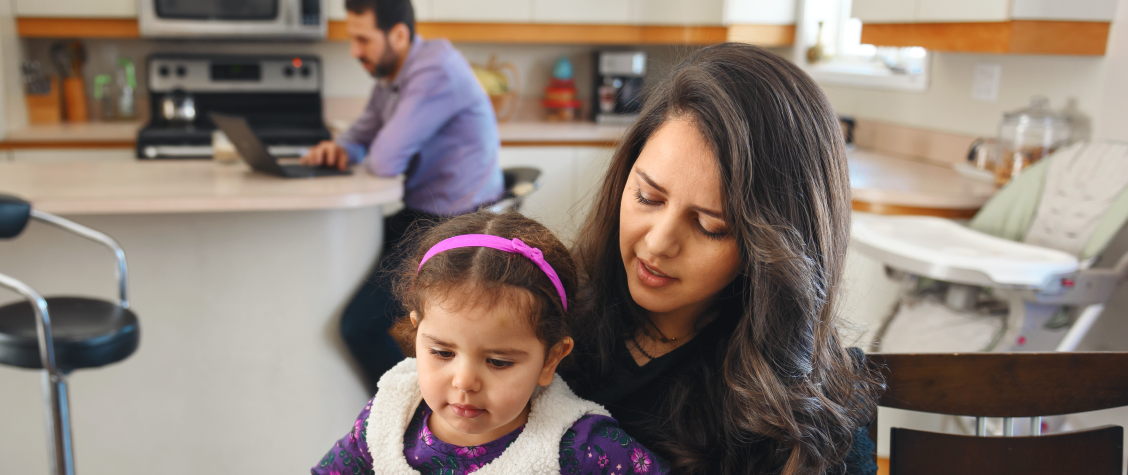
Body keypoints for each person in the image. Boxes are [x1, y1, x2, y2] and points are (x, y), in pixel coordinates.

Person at [559, 43, 883, 475]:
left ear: (772, 254)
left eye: (710, 226)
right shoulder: (549, 320)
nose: (657, 244)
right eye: (647, 197)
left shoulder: (798, 408)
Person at [311, 212, 670, 475]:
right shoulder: (388, 415)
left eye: (498, 362)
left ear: (550, 359)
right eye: (442, 353)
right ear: (416, 333)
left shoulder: (578, 446)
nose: (464, 381)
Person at [301, 0, 504, 394]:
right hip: (424, 214)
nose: (354, 51)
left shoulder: (434, 71)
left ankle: (418, 418)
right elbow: (361, 135)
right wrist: (340, 149)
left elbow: (386, 158)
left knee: (361, 325)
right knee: (348, 247)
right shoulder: (394, 74)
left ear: (397, 35)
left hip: (458, 223)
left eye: (362, 39)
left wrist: (362, 149)